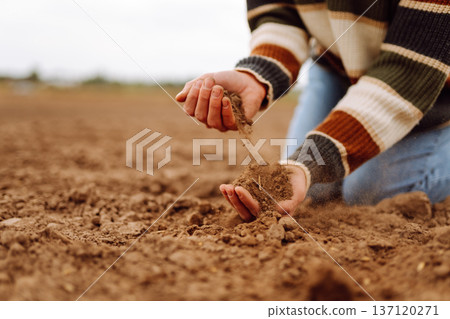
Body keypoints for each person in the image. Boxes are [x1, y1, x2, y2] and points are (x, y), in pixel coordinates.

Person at [176, 0, 450, 221]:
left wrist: (307, 164)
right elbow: (280, 13)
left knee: (367, 191)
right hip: (337, 68)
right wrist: (258, 75)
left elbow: (409, 73)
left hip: (432, 85)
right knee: (312, 188)